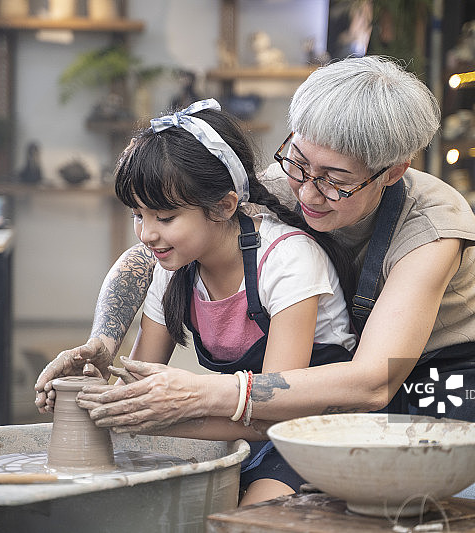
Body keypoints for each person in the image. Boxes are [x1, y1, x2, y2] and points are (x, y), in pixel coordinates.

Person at [35, 56, 475, 505]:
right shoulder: (282, 183)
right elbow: (155, 249)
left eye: (335, 181)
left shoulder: (432, 225)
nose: (308, 192)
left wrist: (207, 394)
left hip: (449, 373)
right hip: (336, 375)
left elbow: (373, 382)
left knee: (463, 501)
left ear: (392, 171)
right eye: (297, 160)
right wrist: (103, 339)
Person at [90, 98, 357, 504]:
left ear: (223, 206)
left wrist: (156, 419)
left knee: (249, 521)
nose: (146, 234)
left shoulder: (287, 259)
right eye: (137, 215)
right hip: (241, 427)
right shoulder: (172, 265)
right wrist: (91, 393)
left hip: (315, 429)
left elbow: (276, 413)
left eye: (164, 218)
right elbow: (141, 381)